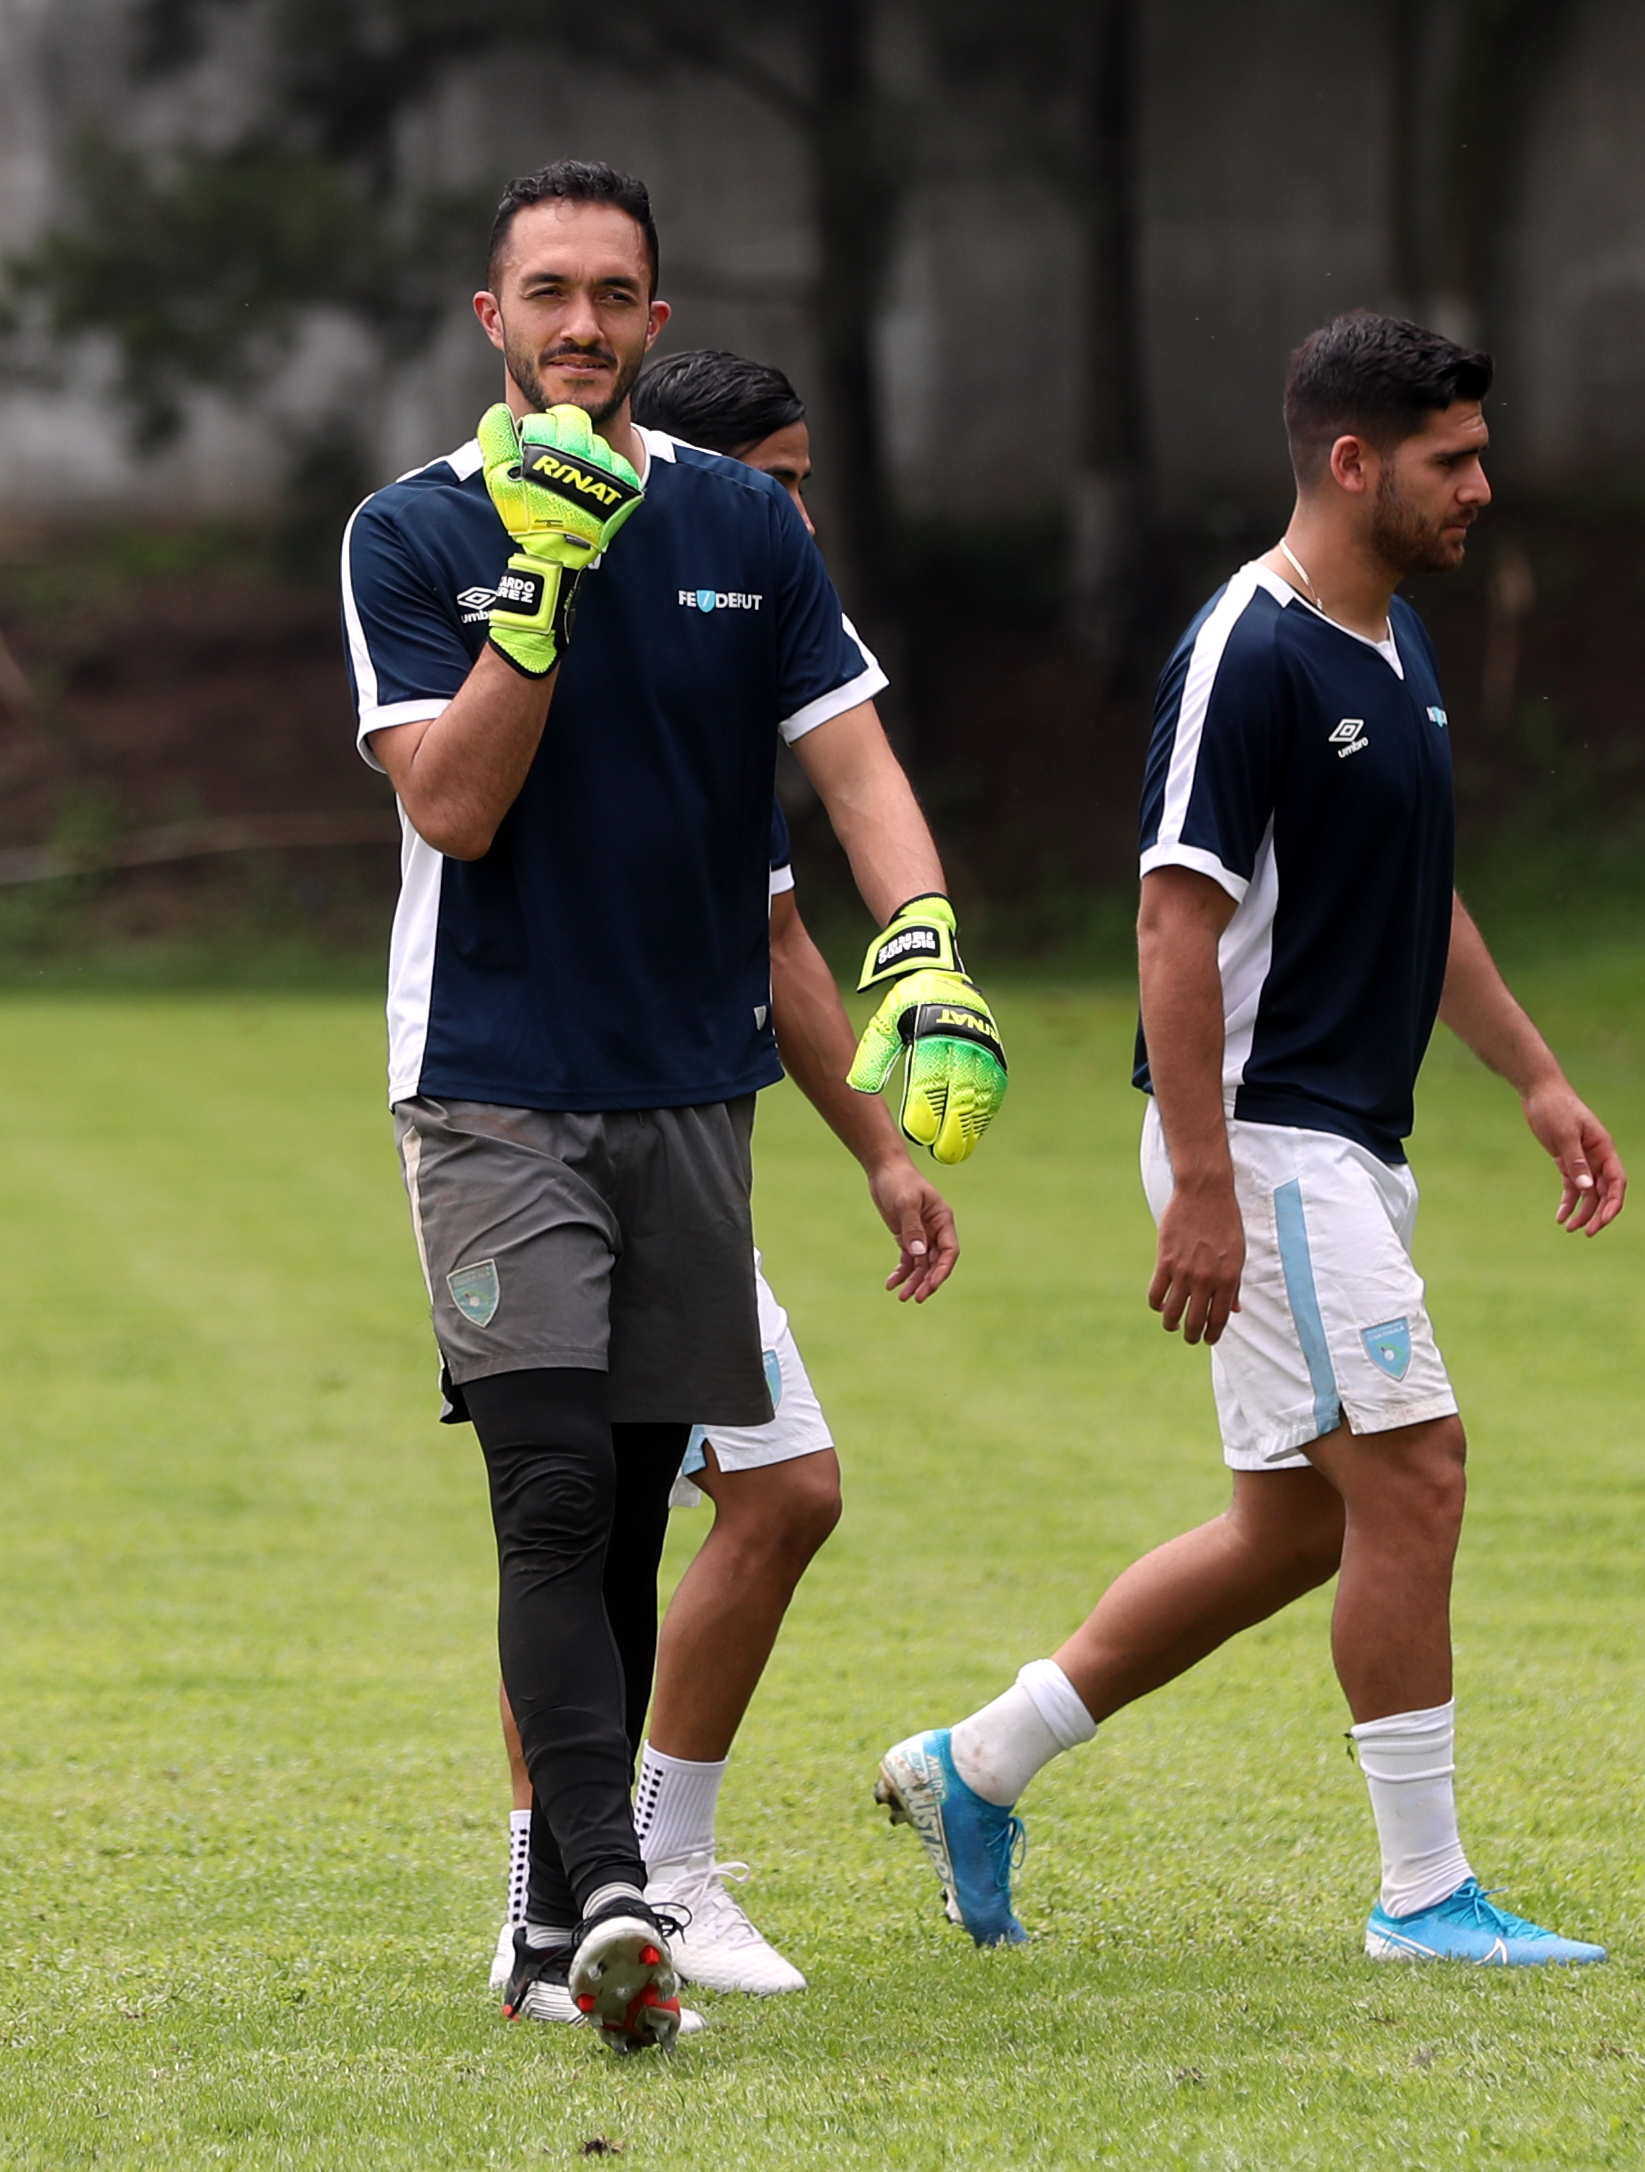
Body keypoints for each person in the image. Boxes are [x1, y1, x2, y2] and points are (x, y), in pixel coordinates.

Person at [874, 310, 1629, 1966]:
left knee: (1298, 1525)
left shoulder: (1394, 648)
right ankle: (1424, 1899)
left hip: (1339, 1150)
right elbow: (1169, 924)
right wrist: (1204, 1186)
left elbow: (1414, 902)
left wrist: (1535, 1076)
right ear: (1351, 462)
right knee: (1416, 1477)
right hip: (1271, 1147)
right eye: (1453, 460)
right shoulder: (1251, 650)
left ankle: (976, 1763)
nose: (1482, 488)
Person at [345, 161, 1005, 2051]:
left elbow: (856, 764)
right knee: (551, 1492)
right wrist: (539, 583)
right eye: (541, 291)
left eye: (611, 294)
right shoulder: (413, 534)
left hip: (690, 1093)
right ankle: (615, 1884)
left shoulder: (748, 527)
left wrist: (931, 944)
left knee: (637, 1508)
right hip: (489, 1087)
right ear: (491, 321)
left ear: (652, 316)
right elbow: (453, 807)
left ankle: (563, 1932)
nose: (576, 323)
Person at [482, 348, 947, 2006]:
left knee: (683, 1505)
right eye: (782, 477)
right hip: (565, 1120)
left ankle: (614, 1877)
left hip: (685, 1123)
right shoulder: (651, 608)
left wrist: (884, 1147)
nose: (797, 512)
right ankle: (616, 1879)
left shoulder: (739, 643)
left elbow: (775, 937)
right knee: (606, 1509)